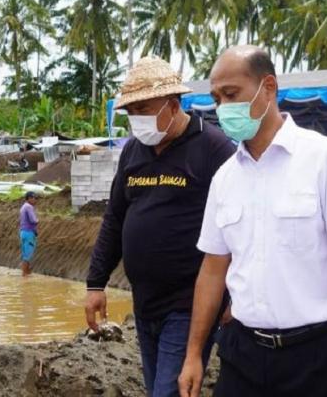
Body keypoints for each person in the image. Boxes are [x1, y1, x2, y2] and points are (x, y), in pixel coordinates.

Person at [178, 46, 327, 397]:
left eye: (231, 94)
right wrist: (193, 356)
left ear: (269, 88)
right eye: (217, 98)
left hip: (317, 357)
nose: (223, 107)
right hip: (242, 355)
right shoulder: (225, 178)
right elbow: (213, 270)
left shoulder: (324, 159)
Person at [85, 56, 235, 396]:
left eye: (144, 110)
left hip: (189, 303)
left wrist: (235, 294)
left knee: (168, 391)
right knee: (160, 388)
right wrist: (96, 283)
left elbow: (240, 224)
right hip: (144, 303)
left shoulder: (213, 149)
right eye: (132, 113)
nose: (137, 120)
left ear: (173, 104)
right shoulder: (133, 152)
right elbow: (115, 219)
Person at [19, 191, 39, 276]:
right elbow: (33, 220)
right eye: (34, 198)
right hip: (29, 233)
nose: (36, 200)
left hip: (23, 232)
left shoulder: (23, 207)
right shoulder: (29, 207)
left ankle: (25, 273)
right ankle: (25, 274)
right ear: (29, 198)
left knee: (24, 255)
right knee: (28, 255)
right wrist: (38, 220)